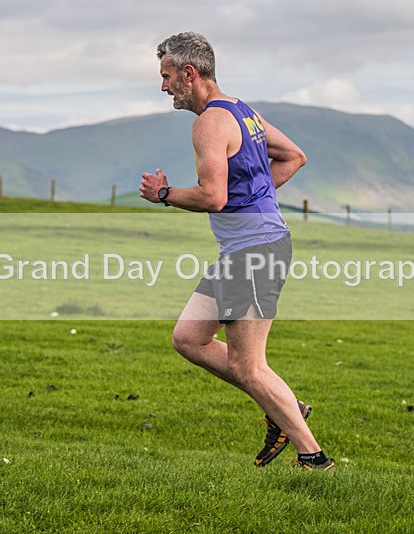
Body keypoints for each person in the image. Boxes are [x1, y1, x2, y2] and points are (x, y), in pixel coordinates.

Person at [139, 32, 333, 471]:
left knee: (248, 366)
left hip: (254, 252)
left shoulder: (208, 122)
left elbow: (213, 198)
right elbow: (293, 157)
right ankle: (286, 407)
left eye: (167, 77)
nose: (164, 87)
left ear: (189, 73)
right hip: (248, 249)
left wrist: (164, 193)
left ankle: (313, 456)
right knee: (189, 338)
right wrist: (254, 196)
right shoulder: (243, 112)